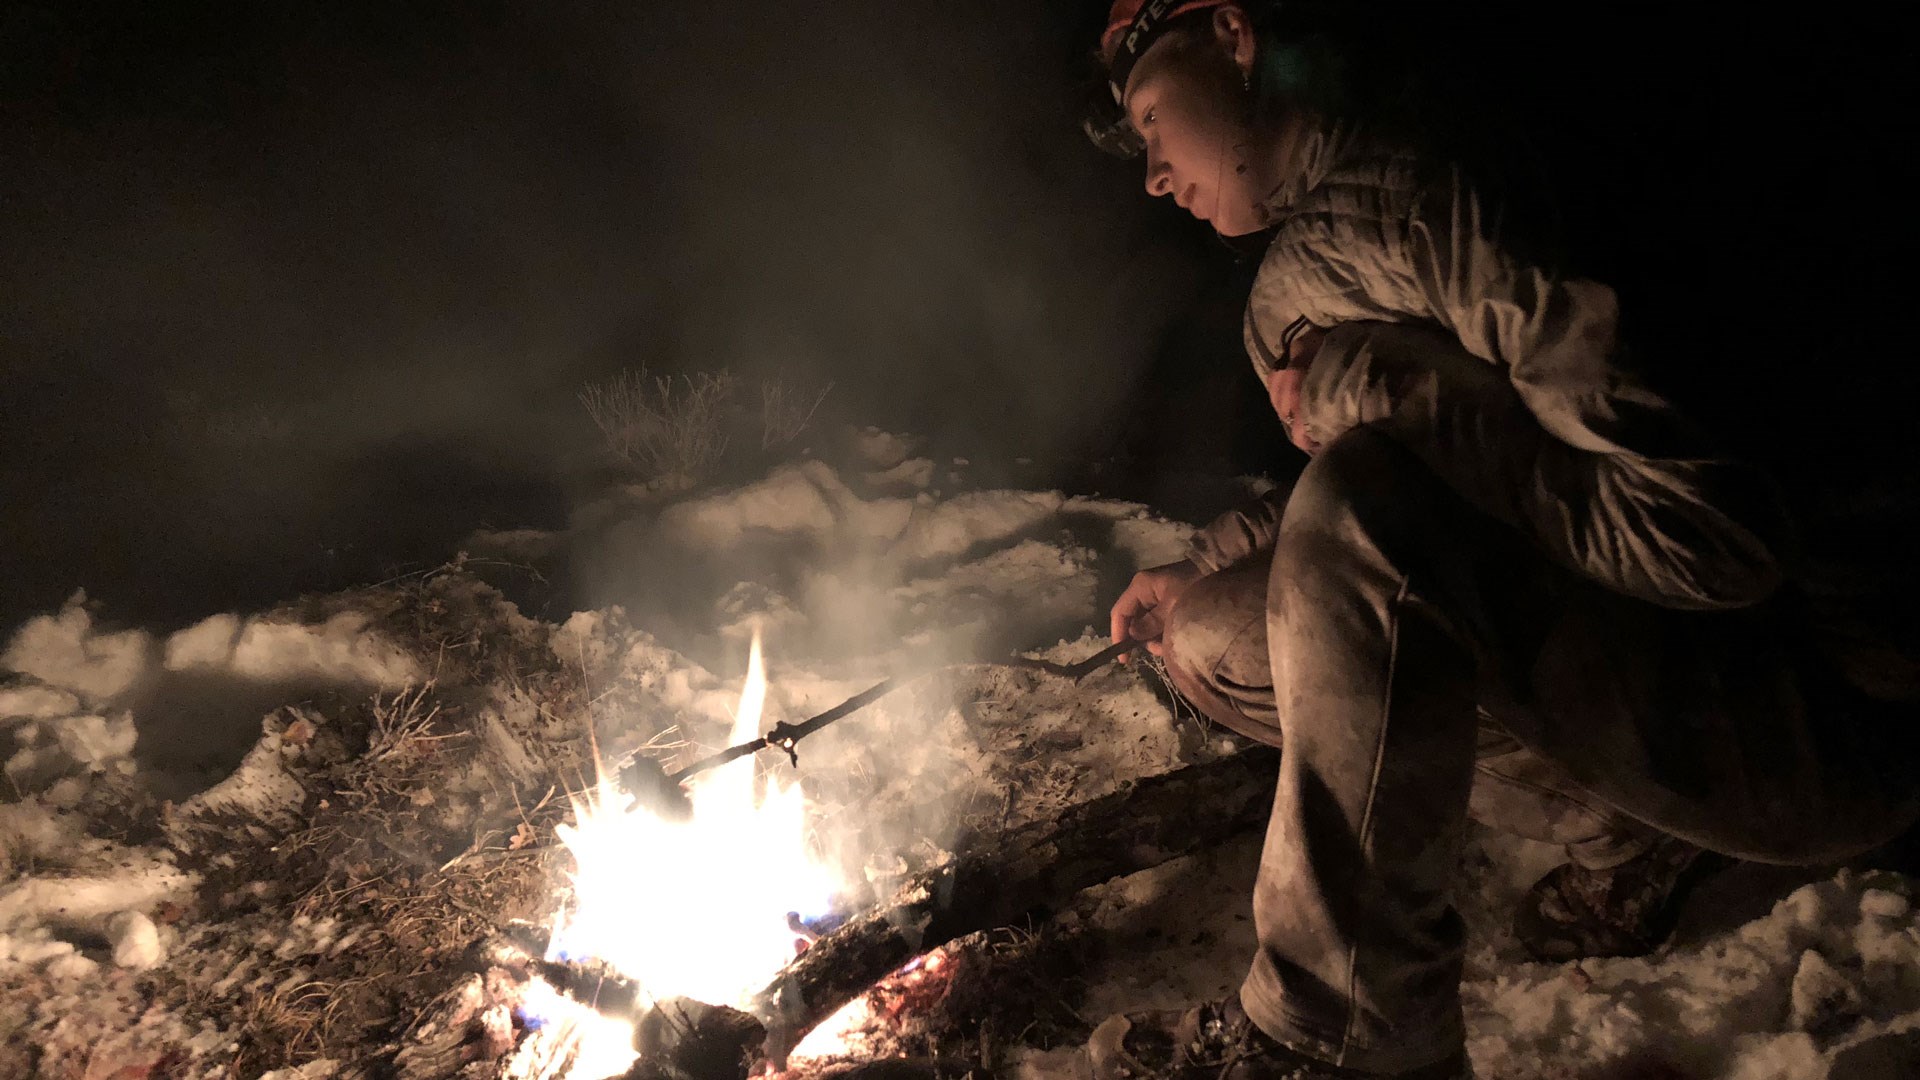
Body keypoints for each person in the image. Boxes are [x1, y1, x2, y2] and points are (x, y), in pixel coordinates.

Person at [1087, 2, 1920, 1078]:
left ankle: (1352, 1036)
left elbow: (1708, 535)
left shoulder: (1458, 191)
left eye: (1153, 118)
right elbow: (1427, 482)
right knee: (1212, 634)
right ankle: (1638, 839)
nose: (1153, 174)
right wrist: (1204, 561)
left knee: (1354, 532)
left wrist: (1381, 385)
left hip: (1828, 709)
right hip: (1702, 662)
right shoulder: (1345, 231)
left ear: (1233, 38)